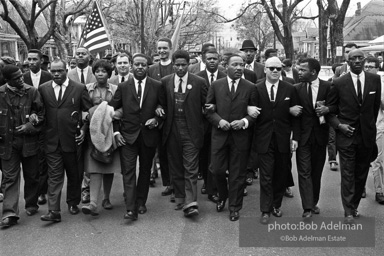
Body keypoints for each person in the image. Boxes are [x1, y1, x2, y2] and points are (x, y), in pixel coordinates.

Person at [326, 49, 381, 224]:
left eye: (360, 58)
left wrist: (370, 129)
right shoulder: (339, 82)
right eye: (353, 59)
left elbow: (373, 110)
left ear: (365, 61)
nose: (357, 61)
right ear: (347, 62)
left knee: (361, 174)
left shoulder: (374, 80)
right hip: (346, 136)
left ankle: (355, 205)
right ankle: (348, 211)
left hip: (366, 136)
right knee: (348, 174)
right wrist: (340, 126)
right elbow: (330, 112)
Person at [109, 54, 165, 221]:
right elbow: (113, 111)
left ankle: (141, 202)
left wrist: (156, 119)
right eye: (137, 65)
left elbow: (163, 106)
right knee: (129, 171)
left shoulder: (157, 86)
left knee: (146, 171)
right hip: (127, 136)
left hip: (148, 135)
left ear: (147, 66)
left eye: (143, 65)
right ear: (132, 66)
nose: (140, 67)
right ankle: (131, 208)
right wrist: (116, 132)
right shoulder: (123, 87)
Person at [39, 59, 92, 222]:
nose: (56, 74)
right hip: (52, 141)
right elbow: (40, 113)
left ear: (66, 70)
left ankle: (73, 202)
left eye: (60, 71)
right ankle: (53, 210)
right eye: (53, 71)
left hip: (73, 140)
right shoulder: (43, 89)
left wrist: (83, 130)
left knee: (74, 174)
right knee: (54, 176)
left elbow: (88, 112)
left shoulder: (79, 88)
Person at [205, 53, 257, 221]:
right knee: (217, 170)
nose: (239, 68)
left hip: (240, 138)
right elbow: (208, 110)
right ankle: (222, 195)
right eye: (234, 64)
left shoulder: (250, 87)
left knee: (237, 174)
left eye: (241, 65)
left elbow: (255, 113)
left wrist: (244, 121)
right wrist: (219, 121)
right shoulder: (216, 85)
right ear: (225, 66)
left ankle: (234, 207)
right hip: (220, 136)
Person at [160, 50, 207, 217]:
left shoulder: (199, 82)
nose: (180, 68)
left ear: (189, 65)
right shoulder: (165, 82)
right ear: (173, 65)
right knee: (176, 166)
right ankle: (180, 197)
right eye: (177, 65)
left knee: (191, 168)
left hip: (191, 131)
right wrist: (159, 108)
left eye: (183, 65)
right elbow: (161, 103)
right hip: (172, 129)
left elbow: (207, 106)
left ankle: (190, 202)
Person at [253, 57, 300, 224]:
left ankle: (276, 205)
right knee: (265, 175)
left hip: (283, 138)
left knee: (280, 173)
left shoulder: (289, 88)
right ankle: (265, 210)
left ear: (282, 70)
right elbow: (251, 110)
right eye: (271, 68)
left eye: (278, 69)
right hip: (263, 138)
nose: (274, 71)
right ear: (265, 69)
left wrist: (295, 137)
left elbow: (295, 115)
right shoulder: (256, 88)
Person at [0, 65, 44, 228]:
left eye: (21, 76)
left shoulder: (32, 92)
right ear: (7, 80)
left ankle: (31, 204)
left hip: (29, 142)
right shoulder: (0, 93)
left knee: (32, 175)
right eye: (16, 78)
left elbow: (41, 114)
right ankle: (9, 212)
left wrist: (31, 126)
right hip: (7, 144)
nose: (21, 79)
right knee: (10, 177)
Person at [81, 60, 122, 216]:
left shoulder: (116, 89)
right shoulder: (87, 89)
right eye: (97, 71)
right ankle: (93, 202)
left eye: (103, 71)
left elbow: (120, 109)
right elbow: (84, 109)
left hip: (110, 131)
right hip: (93, 132)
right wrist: (92, 113)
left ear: (109, 73)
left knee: (108, 165)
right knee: (95, 167)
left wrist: (112, 113)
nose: (100, 74)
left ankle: (106, 198)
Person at [293, 58, 332, 218]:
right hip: (303, 137)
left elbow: (337, 107)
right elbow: (295, 117)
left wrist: (327, 109)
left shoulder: (328, 87)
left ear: (313, 72)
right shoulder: (296, 89)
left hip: (320, 137)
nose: (299, 72)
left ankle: (313, 201)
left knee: (316, 172)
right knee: (304, 172)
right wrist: (295, 137)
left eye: (302, 70)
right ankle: (307, 207)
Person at [22, 49, 53, 206]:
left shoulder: (49, 76)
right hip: (30, 124)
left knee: (44, 158)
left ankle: (42, 191)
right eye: (29, 59)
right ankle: (34, 193)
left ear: (41, 61)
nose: (31, 62)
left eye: (35, 59)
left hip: (47, 124)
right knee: (32, 160)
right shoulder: (22, 78)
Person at [196, 49, 226, 203]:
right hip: (201, 124)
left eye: (215, 58)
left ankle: (212, 189)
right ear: (204, 60)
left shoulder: (225, 77)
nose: (212, 61)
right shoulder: (197, 78)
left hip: (218, 123)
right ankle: (206, 183)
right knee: (204, 156)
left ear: (219, 60)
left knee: (214, 157)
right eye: (209, 59)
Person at [67, 47, 97, 205]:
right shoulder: (69, 74)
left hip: (94, 119)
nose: (80, 56)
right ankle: (76, 188)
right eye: (77, 54)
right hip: (75, 122)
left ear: (89, 56)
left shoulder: (96, 72)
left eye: (83, 53)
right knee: (76, 158)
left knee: (90, 156)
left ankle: (87, 188)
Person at [148, 38, 174, 199]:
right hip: (157, 116)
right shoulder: (151, 69)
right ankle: (168, 183)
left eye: (165, 48)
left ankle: (177, 184)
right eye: (160, 48)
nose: (162, 51)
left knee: (174, 151)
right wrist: (156, 107)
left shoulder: (176, 66)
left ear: (170, 49)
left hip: (174, 114)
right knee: (162, 152)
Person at [363, 56, 384, 204]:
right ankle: (378, 190)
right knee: (374, 159)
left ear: (378, 68)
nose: (368, 69)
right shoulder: (363, 84)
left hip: (380, 125)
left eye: (371, 66)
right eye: (366, 66)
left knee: (379, 160)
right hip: (372, 126)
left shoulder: (381, 83)